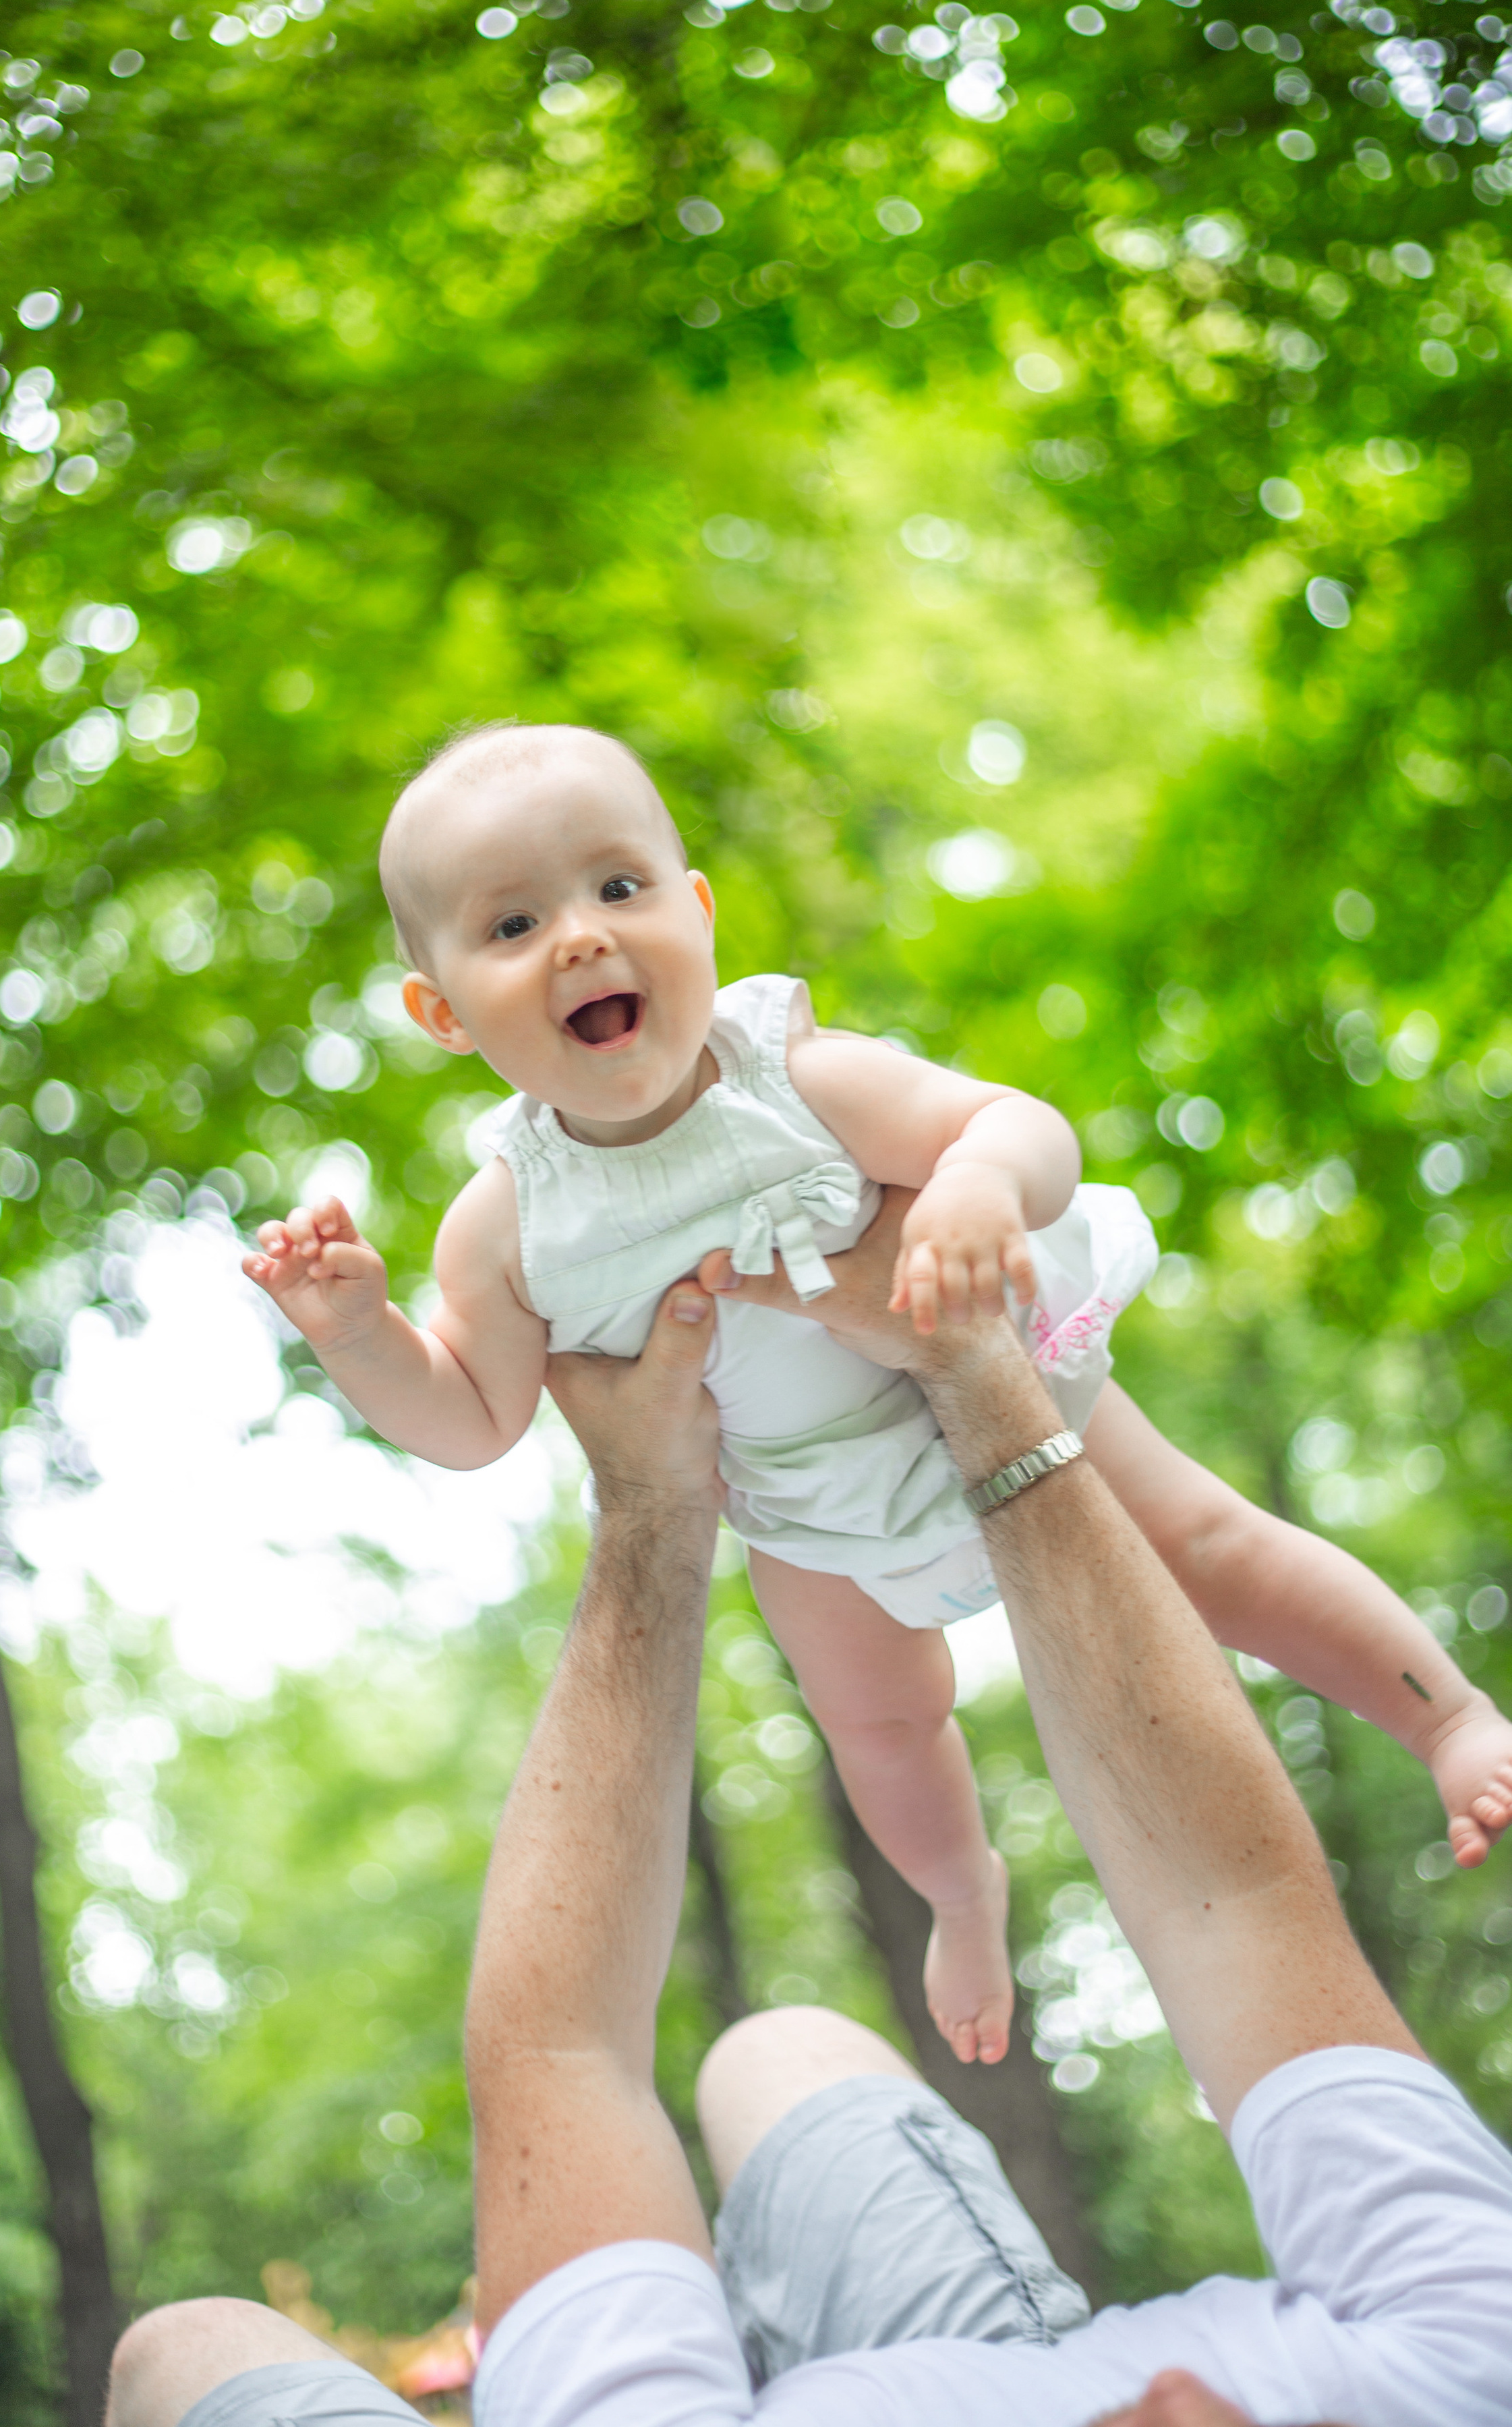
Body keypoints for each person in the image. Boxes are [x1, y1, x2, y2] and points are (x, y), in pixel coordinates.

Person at [109, 1197, 1512, 2427]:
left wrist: (622, 1490)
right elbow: (1237, 1904)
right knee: (785, 2037)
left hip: (794, 1486)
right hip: (911, 1419)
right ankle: (1011, 1878)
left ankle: (946, 1921)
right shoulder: (1460, 2368)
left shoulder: (533, 1203)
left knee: (183, 2351)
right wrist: (975, 1333)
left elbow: (556, 2057)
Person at [245, 721, 1512, 2064]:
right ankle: (962, 1894)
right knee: (878, 1725)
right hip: (813, 1517)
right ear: (442, 1013)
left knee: (1209, 1547)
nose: (581, 937)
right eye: (513, 924)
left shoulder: (794, 1082)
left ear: (696, 911)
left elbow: (1018, 1125)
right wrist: (360, 1334)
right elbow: (469, 1419)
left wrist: (974, 1182)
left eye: (618, 887)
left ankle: (1445, 1716)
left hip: (1007, 1392)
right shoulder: (508, 1228)